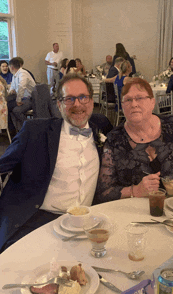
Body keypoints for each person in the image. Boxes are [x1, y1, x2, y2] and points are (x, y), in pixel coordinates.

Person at [0, 73, 113, 253]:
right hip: (35, 219)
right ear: (59, 105)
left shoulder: (103, 127)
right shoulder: (35, 131)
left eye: (83, 97)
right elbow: (3, 165)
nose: (77, 104)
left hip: (85, 224)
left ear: (92, 102)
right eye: (69, 99)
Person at [96, 78, 173, 203]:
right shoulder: (115, 139)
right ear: (122, 105)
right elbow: (104, 192)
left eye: (140, 98)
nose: (134, 104)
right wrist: (135, 191)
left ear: (153, 102)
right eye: (128, 100)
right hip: (137, 215)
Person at [7, 58, 36, 131]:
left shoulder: (23, 73)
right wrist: (12, 91)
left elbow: (21, 86)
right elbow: (12, 86)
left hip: (31, 99)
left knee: (16, 110)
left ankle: (29, 128)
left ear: (12, 67)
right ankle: (16, 130)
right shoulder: (15, 75)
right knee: (8, 106)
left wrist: (18, 100)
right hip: (23, 98)